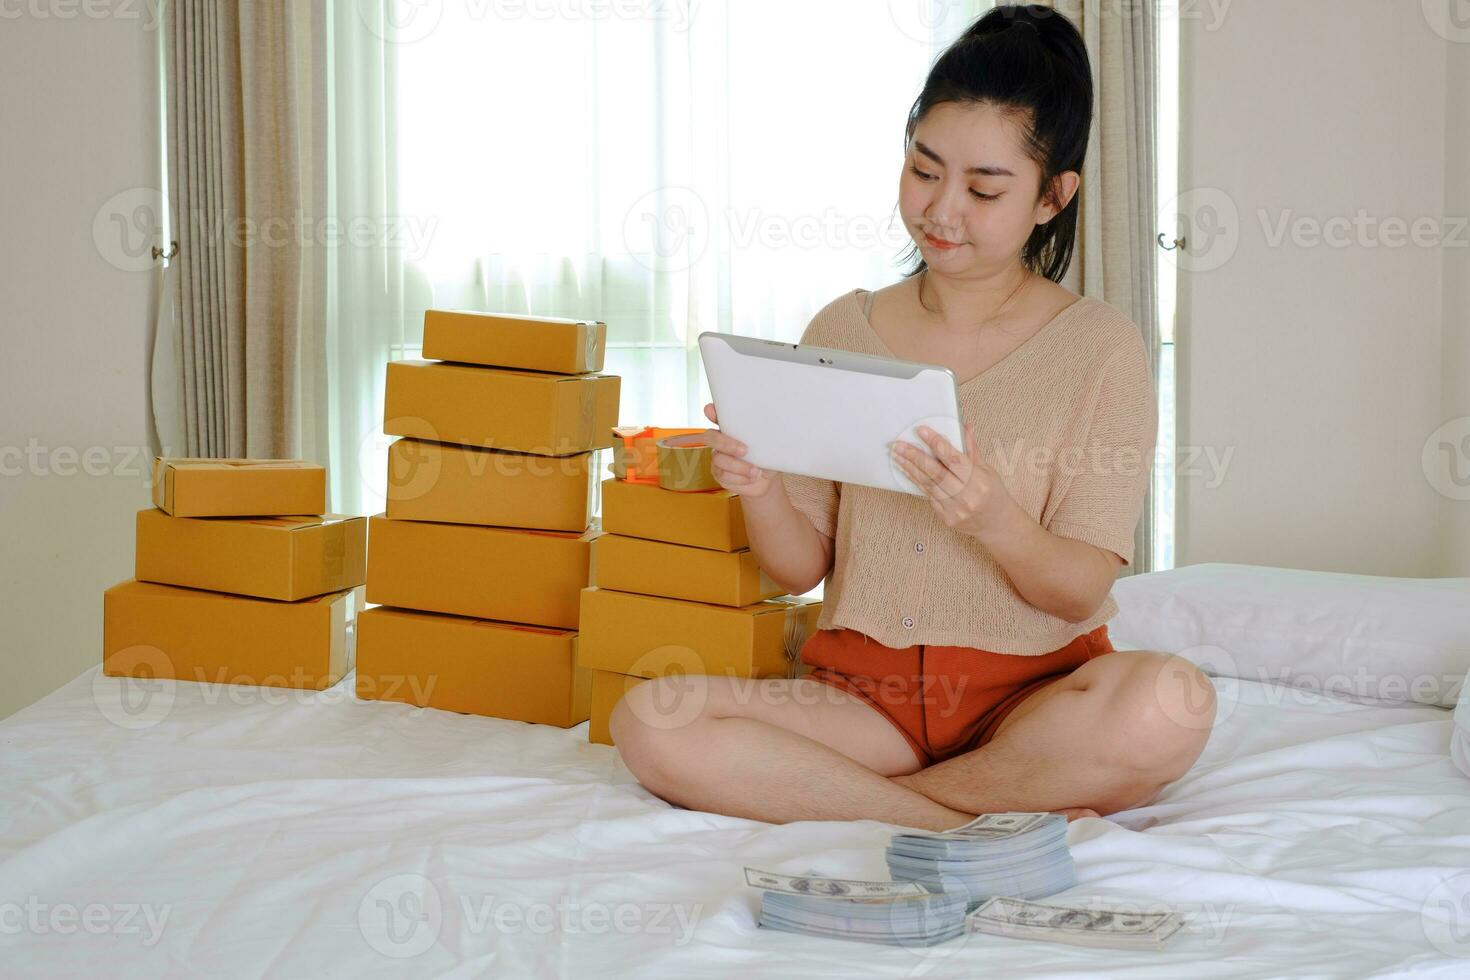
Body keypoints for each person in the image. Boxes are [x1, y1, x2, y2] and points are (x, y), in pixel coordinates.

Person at [609, 4, 1215, 831]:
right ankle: (963, 823)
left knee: (1171, 701)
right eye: (924, 171)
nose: (942, 208)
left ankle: (880, 805)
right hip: (867, 704)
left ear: (1053, 197)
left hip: (1031, 704)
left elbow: (1080, 590)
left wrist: (994, 519)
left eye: (984, 187)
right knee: (649, 720)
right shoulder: (842, 330)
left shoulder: (1100, 348)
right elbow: (798, 569)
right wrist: (757, 486)